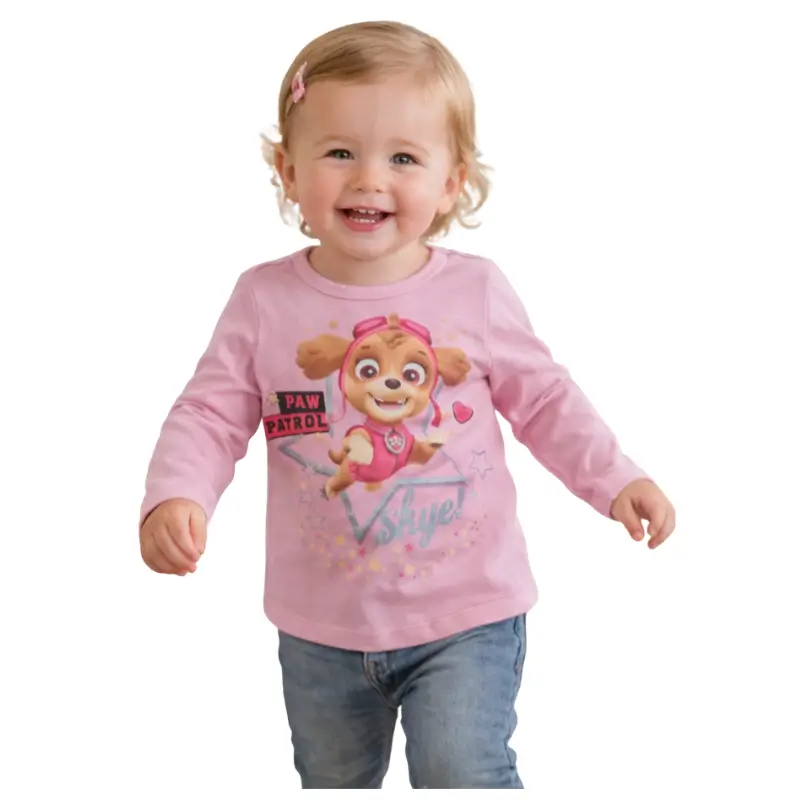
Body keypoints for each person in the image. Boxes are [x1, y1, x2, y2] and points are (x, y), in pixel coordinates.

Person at [139, 20, 676, 790]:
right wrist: (177, 494)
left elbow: (547, 400)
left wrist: (616, 478)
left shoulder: (476, 292)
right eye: (338, 152)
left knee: (462, 770)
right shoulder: (264, 301)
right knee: (333, 780)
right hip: (319, 627)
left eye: (402, 158)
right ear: (288, 170)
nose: (368, 179)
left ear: (453, 181)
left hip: (468, 616)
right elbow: (209, 415)